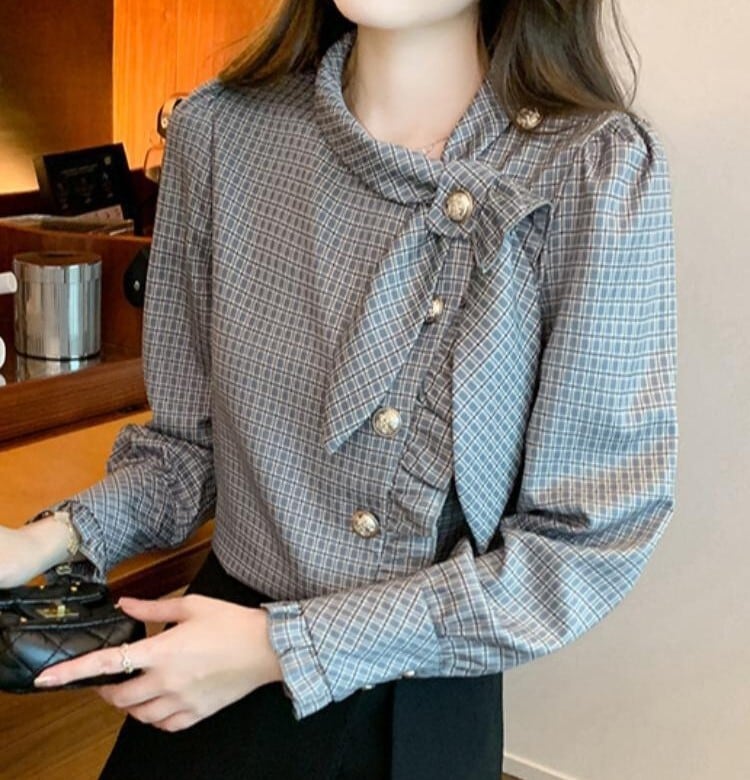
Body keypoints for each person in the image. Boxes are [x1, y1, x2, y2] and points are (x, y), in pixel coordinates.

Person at [0, 0, 678, 778]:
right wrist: (47, 540)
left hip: (418, 701)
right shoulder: (221, 132)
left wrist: (281, 647)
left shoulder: (595, 167)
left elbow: (586, 542)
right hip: (212, 661)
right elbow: (189, 447)